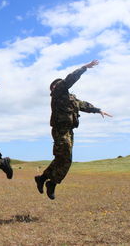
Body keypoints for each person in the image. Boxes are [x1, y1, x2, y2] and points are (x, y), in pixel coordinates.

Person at [35, 60, 112, 199]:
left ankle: (47, 180)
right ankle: (46, 180)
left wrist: (98, 110)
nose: (58, 86)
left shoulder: (72, 99)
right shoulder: (57, 93)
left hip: (70, 131)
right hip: (60, 130)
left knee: (65, 159)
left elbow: (83, 105)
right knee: (63, 152)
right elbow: (69, 80)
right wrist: (84, 68)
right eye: (56, 85)